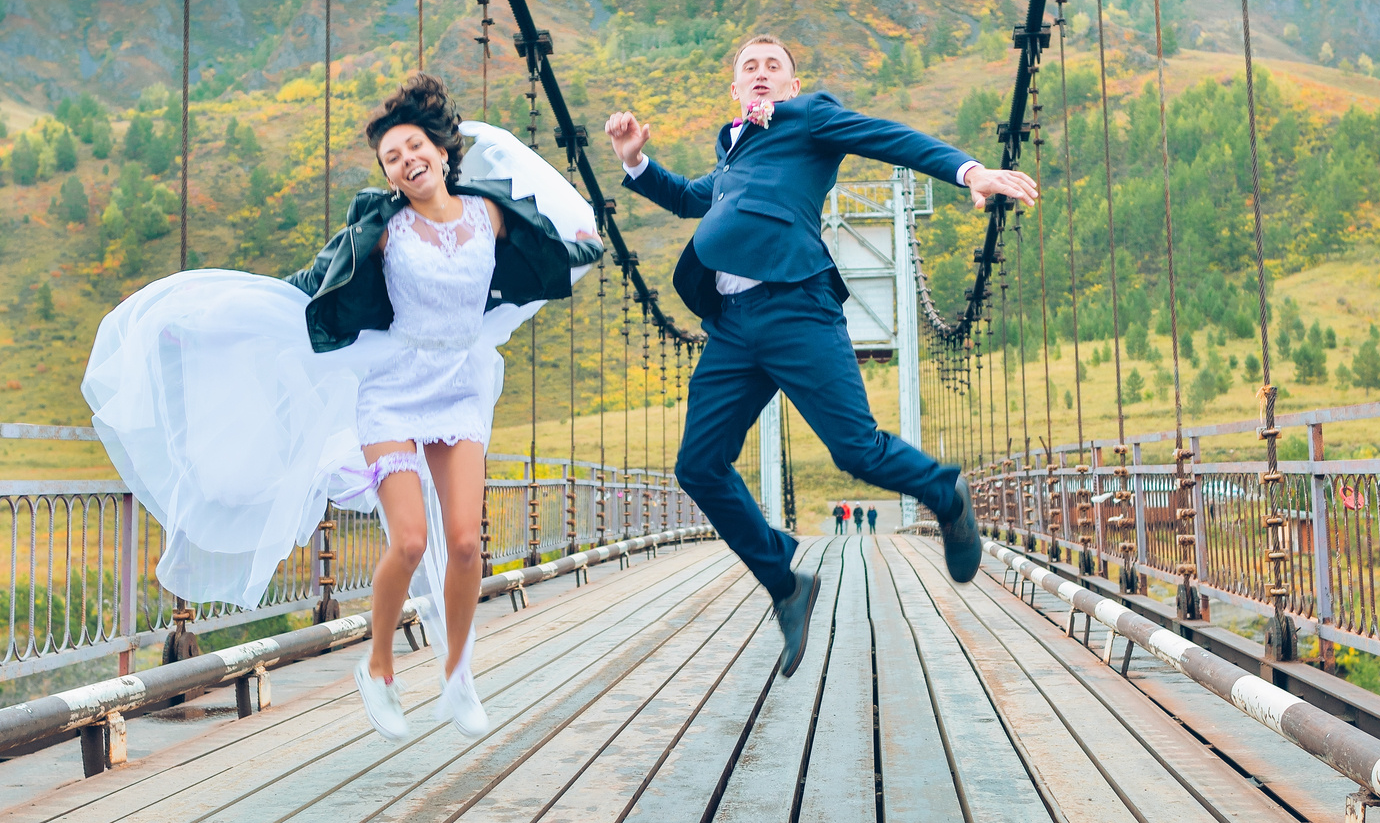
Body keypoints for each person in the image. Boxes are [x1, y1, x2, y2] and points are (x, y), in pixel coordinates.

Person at [85, 72, 601, 747]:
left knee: (468, 543)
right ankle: (380, 667)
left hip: (459, 386)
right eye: (392, 157)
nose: (407, 161)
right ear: (388, 172)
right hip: (389, 387)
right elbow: (309, 288)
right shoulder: (381, 227)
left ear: (442, 150)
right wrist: (217, 325)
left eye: (414, 146)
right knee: (412, 540)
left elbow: (552, 255)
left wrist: (591, 242)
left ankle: (457, 673)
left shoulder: (490, 214)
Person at [606, 37, 1038, 673]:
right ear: (734, 88)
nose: (759, 74)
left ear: (790, 84)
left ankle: (943, 491)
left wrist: (969, 172)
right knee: (698, 466)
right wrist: (636, 163)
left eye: (770, 67)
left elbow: (889, 137)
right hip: (731, 323)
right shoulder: (731, 151)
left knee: (855, 450)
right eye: (748, 67)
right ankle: (786, 583)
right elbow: (696, 200)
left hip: (796, 307)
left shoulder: (808, 117)